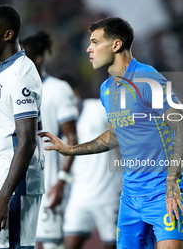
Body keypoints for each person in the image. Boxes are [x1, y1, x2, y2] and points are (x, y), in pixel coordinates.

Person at [39, 17, 183, 249]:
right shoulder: (106, 90)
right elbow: (114, 135)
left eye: (95, 42)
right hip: (130, 195)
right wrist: (71, 149)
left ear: (116, 45)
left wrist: (172, 179)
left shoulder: (147, 79)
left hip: (163, 191)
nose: (88, 49)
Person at [0, 5, 45, 249]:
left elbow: (27, 141)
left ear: (7, 35)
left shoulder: (21, 76)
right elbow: (1, 129)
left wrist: (3, 197)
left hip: (17, 187)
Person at [20, 31, 78, 249]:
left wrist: (62, 181)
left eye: (24, 56)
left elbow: (72, 138)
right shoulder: (13, 88)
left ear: (38, 59)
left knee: (53, 245)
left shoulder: (58, 89)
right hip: (18, 185)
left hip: (48, 185)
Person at [60, 74, 123, 249]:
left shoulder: (97, 109)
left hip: (109, 195)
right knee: (69, 245)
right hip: (80, 196)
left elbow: (123, 130)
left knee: (113, 245)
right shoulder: (61, 124)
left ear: (75, 92)